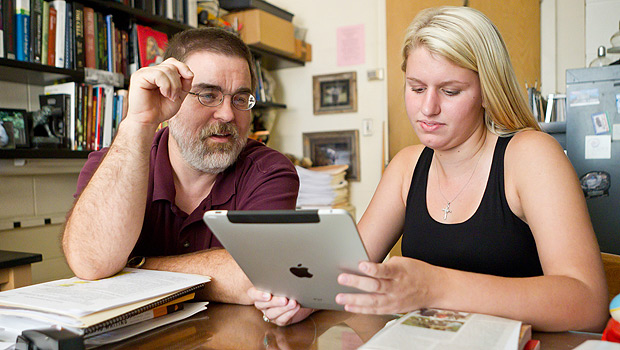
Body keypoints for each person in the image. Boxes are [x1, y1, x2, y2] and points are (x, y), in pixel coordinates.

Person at [249, 6, 609, 331]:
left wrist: (435, 286)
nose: (428, 108)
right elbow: (349, 273)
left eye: (450, 91)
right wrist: (304, 300)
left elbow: (587, 302)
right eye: (416, 88)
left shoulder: (531, 156)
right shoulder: (406, 166)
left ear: (488, 91)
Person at [62, 28, 299, 304]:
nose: (227, 114)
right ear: (170, 96)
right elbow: (89, 262)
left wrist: (135, 267)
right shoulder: (113, 164)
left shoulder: (268, 171)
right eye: (208, 95)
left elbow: (259, 276)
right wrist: (139, 123)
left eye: (240, 99)